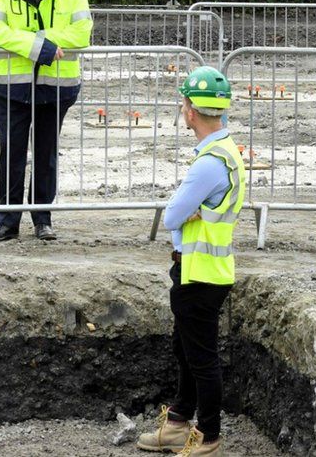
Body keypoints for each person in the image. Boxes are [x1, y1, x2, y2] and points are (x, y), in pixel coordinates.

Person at [136, 67, 245, 457]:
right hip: (201, 270)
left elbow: (170, 216)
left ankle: (209, 437)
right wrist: (188, 214)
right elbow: (184, 214)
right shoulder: (225, 151)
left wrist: (185, 213)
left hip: (200, 275)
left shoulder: (209, 163)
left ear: (191, 111)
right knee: (185, 349)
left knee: (202, 359)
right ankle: (178, 423)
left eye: (184, 103)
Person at [0, 0, 92, 242]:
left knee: (46, 155)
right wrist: (36, 47)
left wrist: (46, 43)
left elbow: (82, 32)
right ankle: (7, 222)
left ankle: (43, 219)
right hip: (12, 86)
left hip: (57, 86)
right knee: (11, 154)